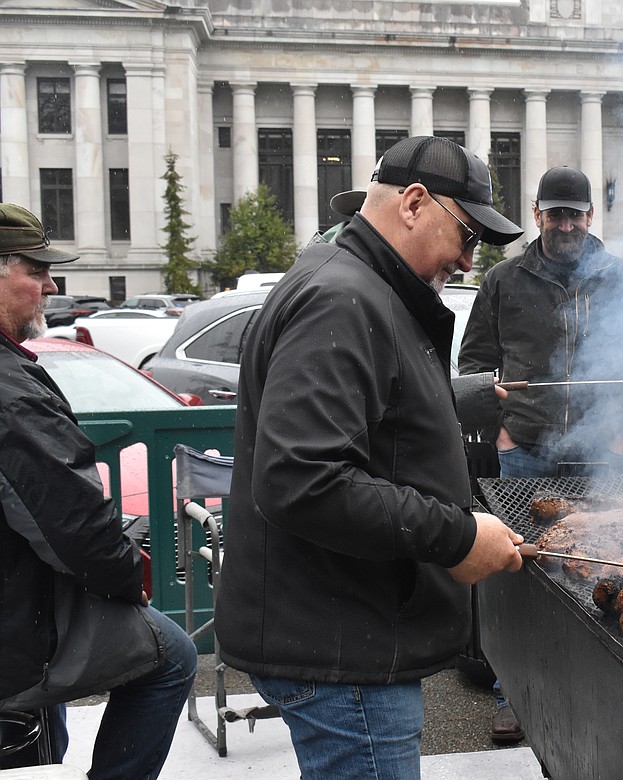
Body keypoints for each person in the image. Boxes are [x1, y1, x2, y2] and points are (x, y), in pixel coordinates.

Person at [214, 136, 526, 780]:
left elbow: (371, 417)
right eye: (467, 235)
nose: (469, 259)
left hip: (338, 630)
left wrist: (451, 400)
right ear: (414, 203)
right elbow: (302, 479)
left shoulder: (357, 282)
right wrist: (458, 536)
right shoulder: (343, 297)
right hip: (342, 649)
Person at [458, 165, 623, 742]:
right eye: (556, 213)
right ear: (538, 215)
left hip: (602, 454)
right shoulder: (503, 280)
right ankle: (515, 697)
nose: (566, 224)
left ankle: (601, 690)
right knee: (520, 572)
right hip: (525, 452)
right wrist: (503, 429)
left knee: (608, 565)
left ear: (590, 217)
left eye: (575, 214)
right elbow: (474, 368)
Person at [0, 203, 198, 778]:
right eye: (35, 269)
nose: (50, 284)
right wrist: (128, 575)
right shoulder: (10, 392)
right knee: (173, 656)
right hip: (16, 622)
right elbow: (74, 527)